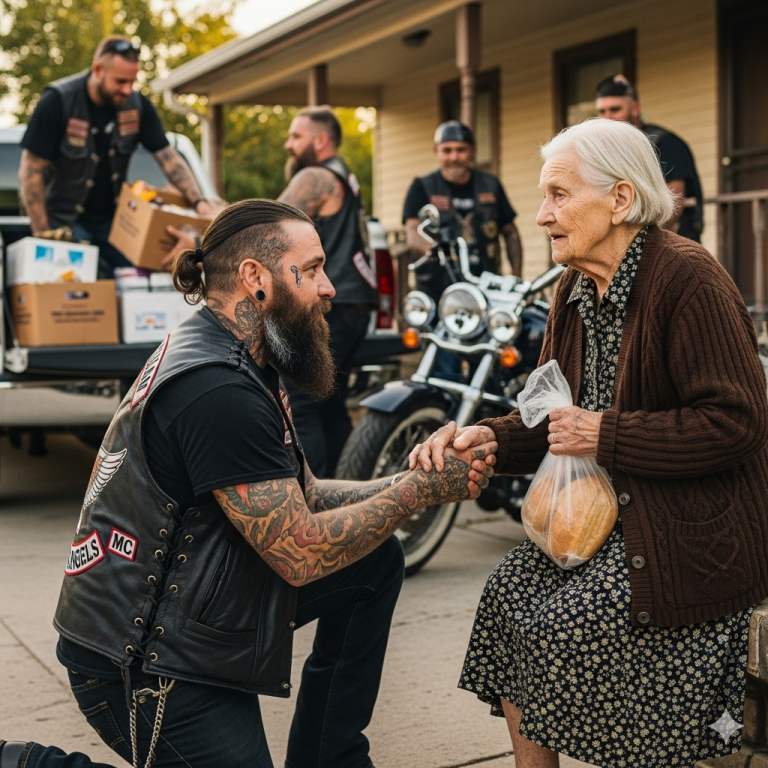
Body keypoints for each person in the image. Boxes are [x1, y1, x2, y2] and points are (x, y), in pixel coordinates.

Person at [0, 199, 495, 768]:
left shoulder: (243, 356)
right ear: (254, 277)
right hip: (142, 662)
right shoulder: (219, 390)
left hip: (193, 609)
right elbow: (299, 551)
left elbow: (305, 497)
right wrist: (423, 492)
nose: (329, 287)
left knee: (373, 560)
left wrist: (415, 476)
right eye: (311, 270)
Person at [409, 119, 768, 766]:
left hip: (689, 535)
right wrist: (484, 439)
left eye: (559, 195)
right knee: (505, 601)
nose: (542, 215)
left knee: (560, 629)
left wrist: (607, 434)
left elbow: (737, 423)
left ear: (620, 199)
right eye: (543, 197)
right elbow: (551, 418)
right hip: (609, 522)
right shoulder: (575, 288)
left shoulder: (689, 280)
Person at [19, 36, 223, 277]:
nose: (127, 89)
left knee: (145, 276)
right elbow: (31, 170)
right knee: (82, 288)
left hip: (116, 224)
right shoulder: (58, 102)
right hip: (65, 223)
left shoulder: (138, 106)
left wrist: (200, 203)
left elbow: (169, 158)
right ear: (98, 70)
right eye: (120, 81)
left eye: (132, 82)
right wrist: (43, 235)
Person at [276, 105, 377, 478]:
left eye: (296, 136)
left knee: (299, 396)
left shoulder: (317, 176)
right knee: (328, 401)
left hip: (334, 301)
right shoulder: (342, 175)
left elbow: (267, 224)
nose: (289, 145)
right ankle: (348, 486)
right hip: (354, 301)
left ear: (320, 141)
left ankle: (312, 493)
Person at [402, 120, 523, 306]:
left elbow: (511, 233)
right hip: (436, 290)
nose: (454, 157)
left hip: (485, 285)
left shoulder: (491, 185)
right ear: (436, 152)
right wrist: (438, 252)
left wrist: (516, 277)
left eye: (460, 150)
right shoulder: (422, 186)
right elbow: (412, 233)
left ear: (471, 151)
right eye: (447, 150)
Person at [596, 73, 704, 242]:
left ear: (634, 108)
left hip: (672, 247)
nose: (607, 117)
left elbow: (670, 208)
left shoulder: (664, 143)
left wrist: (637, 245)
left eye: (615, 109)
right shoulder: (608, 151)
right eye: (602, 111)